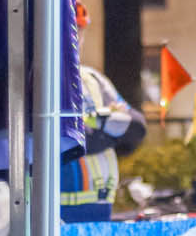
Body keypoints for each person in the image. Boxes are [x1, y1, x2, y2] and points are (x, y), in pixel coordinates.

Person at [61, 60, 145, 223]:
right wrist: (111, 126)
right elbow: (68, 140)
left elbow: (136, 128)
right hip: (55, 213)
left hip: (100, 208)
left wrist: (94, 122)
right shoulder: (39, 75)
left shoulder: (92, 78)